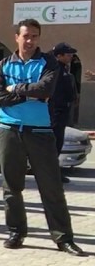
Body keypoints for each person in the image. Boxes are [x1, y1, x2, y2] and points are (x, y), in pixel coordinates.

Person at [0, 20, 84, 256]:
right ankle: (16, 232)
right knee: (11, 187)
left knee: (51, 187)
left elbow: (46, 90)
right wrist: (29, 93)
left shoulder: (49, 62)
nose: (30, 40)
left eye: (34, 36)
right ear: (17, 37)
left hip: (40, 133)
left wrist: (15, 89)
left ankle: (63, 238)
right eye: (26, 36)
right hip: (10, 130)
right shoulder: (3, 65)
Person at [50, 43, 78, 181]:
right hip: (57, 112)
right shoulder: (55, 70)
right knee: (55, 144)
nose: (71, 56)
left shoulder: (63, 69)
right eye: (68, 54)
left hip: (62, 112)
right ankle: (53, 175)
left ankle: (54, 172)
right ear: (59, 56)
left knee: (58, 143)